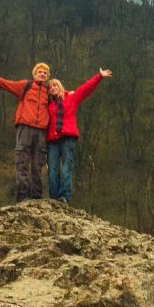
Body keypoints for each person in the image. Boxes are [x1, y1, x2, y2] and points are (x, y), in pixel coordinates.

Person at [0, 60, 50, 201]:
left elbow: (63, 98)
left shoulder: (48, 92)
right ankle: (22, 197)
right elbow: (5, 84)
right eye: (40, 72)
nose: (42, 74)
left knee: (38, 165)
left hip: (41, 132)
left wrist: (69, 93)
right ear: (34, 74)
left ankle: (37, 198)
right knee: (22, 161)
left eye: (45, 73)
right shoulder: (25, 86)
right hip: (25, 128)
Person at [46, 67, 113, 204]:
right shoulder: (47, 105)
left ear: (60, 87)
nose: (52, 88)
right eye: (50, 87)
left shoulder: (70, 98)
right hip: (52, 141)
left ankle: (64, 197)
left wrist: (98, 76)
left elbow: (85, 89)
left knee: (66, 168)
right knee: (52, 170)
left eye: (55, 85)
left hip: (67, 138)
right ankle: (53, 199)